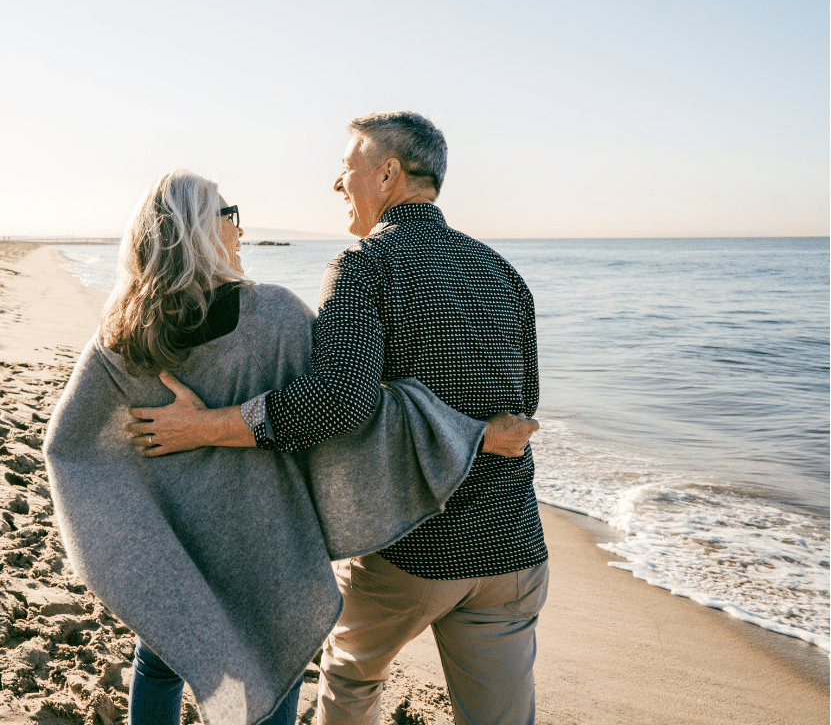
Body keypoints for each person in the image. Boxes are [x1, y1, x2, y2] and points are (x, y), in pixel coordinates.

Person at [44, 170, 535, 725]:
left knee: (162, 659)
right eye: (230, 215)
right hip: (267, 541)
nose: (239, 228)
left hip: (175, 539)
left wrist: (130, 525)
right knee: (269, 667)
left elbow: (71, 447)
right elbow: (349, 412)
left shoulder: (122, 332)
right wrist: (472, 432)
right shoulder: (273, 316)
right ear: (204, 229)